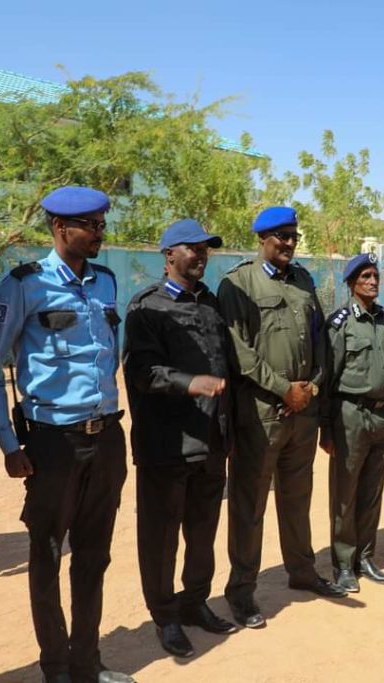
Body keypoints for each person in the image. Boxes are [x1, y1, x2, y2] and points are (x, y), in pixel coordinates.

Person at [0, 186, 133, 683]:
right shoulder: (24, 285)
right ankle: (56, 668)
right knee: (48, 556)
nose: (99, 233)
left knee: (94, 556)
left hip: (107, 437)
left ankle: (87, 664)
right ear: (59, 228)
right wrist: (9, 443)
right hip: (53, 442)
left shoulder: (107, 282)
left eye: (100, 224)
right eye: (89, 225)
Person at [218, 206, 345, 630]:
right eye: (280, 237)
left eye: (292, 235)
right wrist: (283, 389)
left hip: (302, 414)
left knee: (297, 497)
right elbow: (239, 351)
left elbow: (320, 340)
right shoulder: (238, 284)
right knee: (249, 505)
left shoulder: (303, 280)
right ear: (262, 239)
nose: (288, 243)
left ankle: (302, 571)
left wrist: (311, 385)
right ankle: (241, 592)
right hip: (262, 415)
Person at [123, 220, 237, 659]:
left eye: (206, 249)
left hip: (212, 440)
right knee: (161, 537)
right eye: (193, 248)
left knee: (203, 532)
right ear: (169, 254)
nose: (202, 255)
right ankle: (166, 616)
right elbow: (140, 372)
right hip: (167, 444)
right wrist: (191, 382)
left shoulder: (210, 303)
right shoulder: (146, 306)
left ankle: (194, 603)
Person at [321, 253, 384, 592]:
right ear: (351, 283)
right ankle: (343, 564)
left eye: (375, 276)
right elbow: (327, 378)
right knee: (345, 494)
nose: (372, 282)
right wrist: (326, 429)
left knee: (372, 491)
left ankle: (365, 557)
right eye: (365, 276)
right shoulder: (340, 323)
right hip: (350, 415)